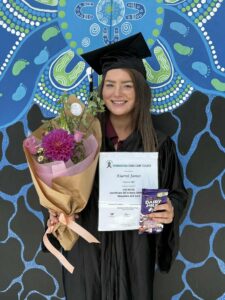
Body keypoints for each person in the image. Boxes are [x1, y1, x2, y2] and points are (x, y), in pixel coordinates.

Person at [48, 33, 188, 300]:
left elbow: (177, 194)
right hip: (86, 253)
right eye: (110, 84)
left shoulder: (158, 146)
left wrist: (170, 210)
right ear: (101, 91)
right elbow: (59, 192)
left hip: (134, 253)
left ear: (140, 90)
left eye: (127, 85)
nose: (117, 93)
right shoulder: (81, 142)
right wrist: (57, 213)